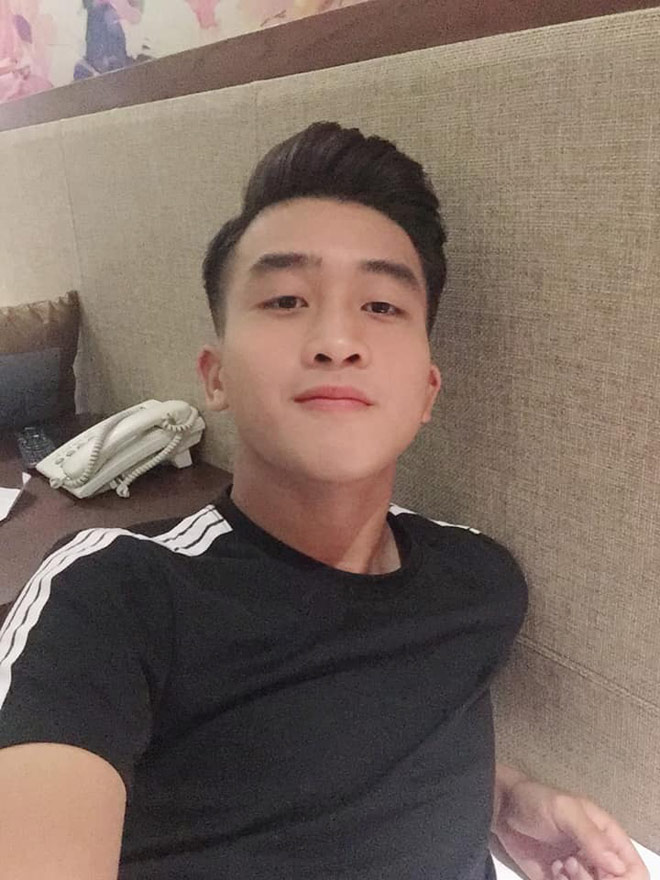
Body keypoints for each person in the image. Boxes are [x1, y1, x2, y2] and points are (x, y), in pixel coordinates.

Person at [0, 122, 648, 880]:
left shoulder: (477, 581)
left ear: (427, 390)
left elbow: (359, 743)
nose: (337, 340)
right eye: (285, 299)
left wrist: (506, 798)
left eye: (382, 306)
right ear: (215, 377)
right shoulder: (113, 593)